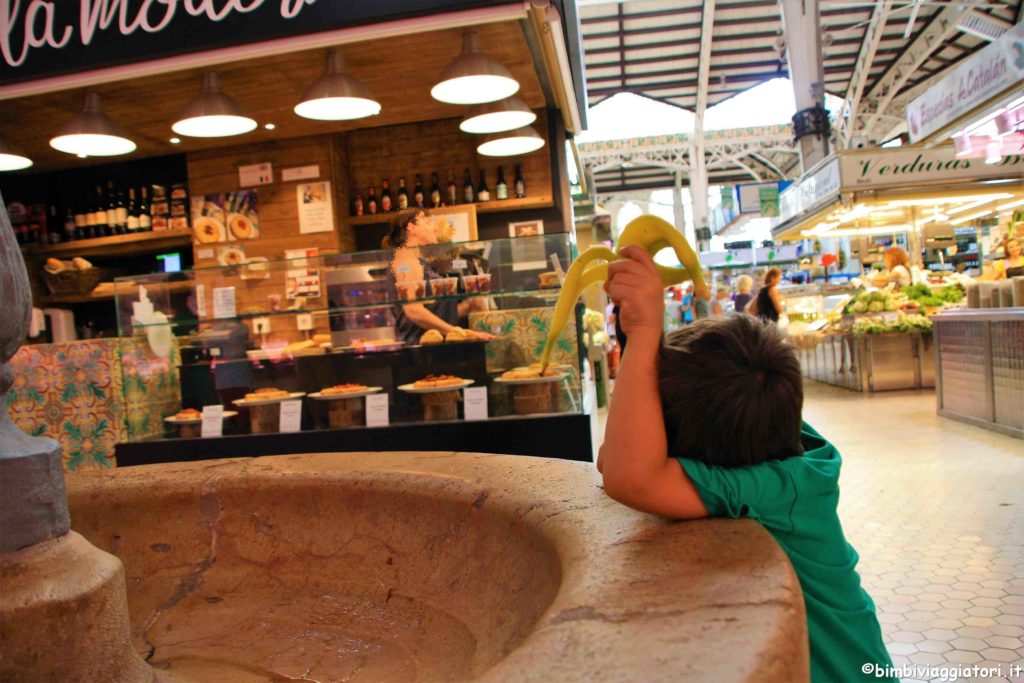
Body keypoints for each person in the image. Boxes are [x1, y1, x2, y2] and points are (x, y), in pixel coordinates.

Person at [597, 246, 896, 683]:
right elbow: (615, 456)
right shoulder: (769, 430)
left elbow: (626, 473)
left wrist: (645, 335)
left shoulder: (780, 487)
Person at [383, 209, 493, 344]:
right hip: (423, 350)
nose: (434, 227)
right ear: (411, 227)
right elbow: (413, 311)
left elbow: (430, 309)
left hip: (433, 345)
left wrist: (468, 305)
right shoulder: (407, 261)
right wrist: (460, 333)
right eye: (428, 222)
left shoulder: (415, 260)